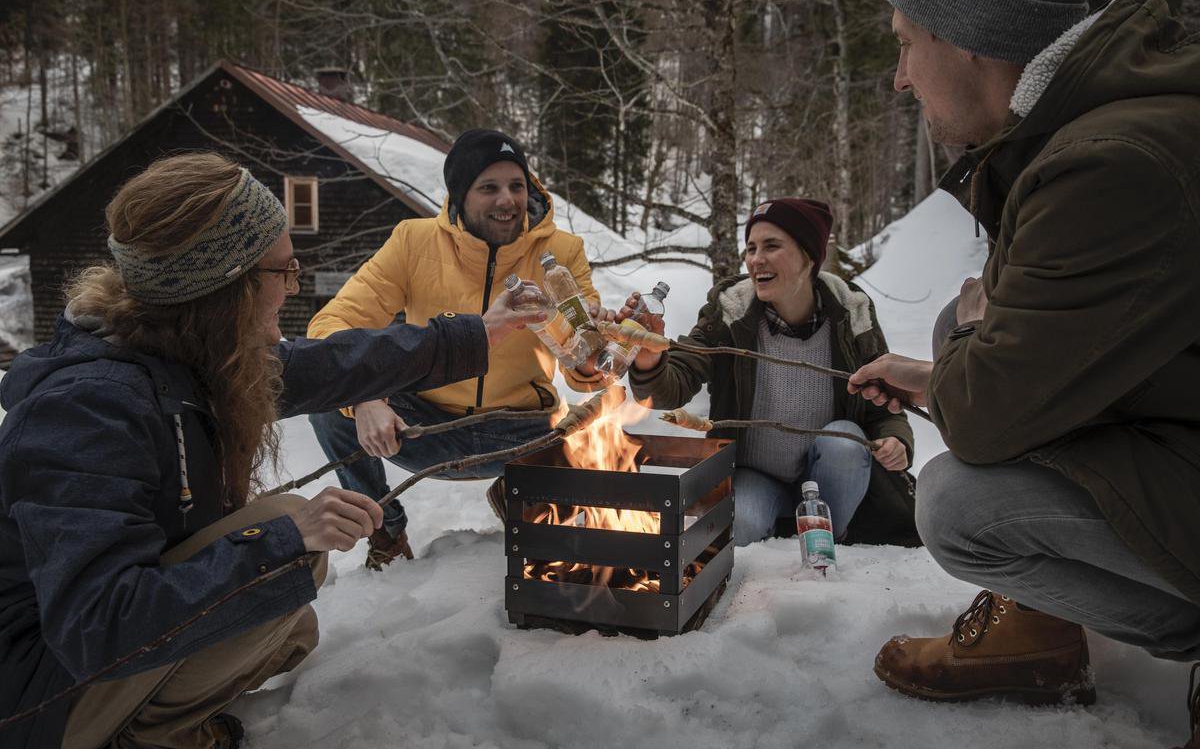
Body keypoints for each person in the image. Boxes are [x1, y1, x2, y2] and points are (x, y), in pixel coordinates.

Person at [0, 153, 537, 748]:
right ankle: (146, 737)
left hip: (79, 666)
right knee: (280, 545)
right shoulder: (86, 411)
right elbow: (95, 626)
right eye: (283, 271)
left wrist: (474, 334)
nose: (291, 287)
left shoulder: (184, 352)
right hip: (37, 697)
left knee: (289, 630)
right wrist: (286, 538)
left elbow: (330, 363)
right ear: (224, 289)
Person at [848, 0, 1200, 741]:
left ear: (970, 35)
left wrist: (966, 356)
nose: (900, 78)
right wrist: (954, 357)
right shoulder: (1082, 125)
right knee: (955, 332)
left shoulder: (1111, 162)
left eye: (907, 43)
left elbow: (983, 419)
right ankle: (1041, 629)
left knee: (959, 506)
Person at [307, 128, 610, 570]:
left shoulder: (562, 252)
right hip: (422, 425)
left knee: (592, 435)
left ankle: (519, 496)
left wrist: (593, 351)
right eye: (489, 187)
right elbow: (328, 326)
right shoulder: (413, 241)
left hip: (520, 432)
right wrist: (365, 398)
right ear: (459, 194)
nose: (507, 200)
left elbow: (584, 374)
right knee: (331, 408)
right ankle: (385, 531)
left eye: (517, 186)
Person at [627, 198, 918, 547]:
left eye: (771, 246)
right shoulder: (730, 313)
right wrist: (649, 356)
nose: (755, 259)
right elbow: (674, 384)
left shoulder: (850, 317)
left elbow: (884, 404)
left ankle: (831, 537)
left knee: (845, 440)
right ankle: (777, 536)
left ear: (809, 256)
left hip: (828, 478)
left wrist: (897, 440)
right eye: (750, 248)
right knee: (742, 527)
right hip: (754, 474)